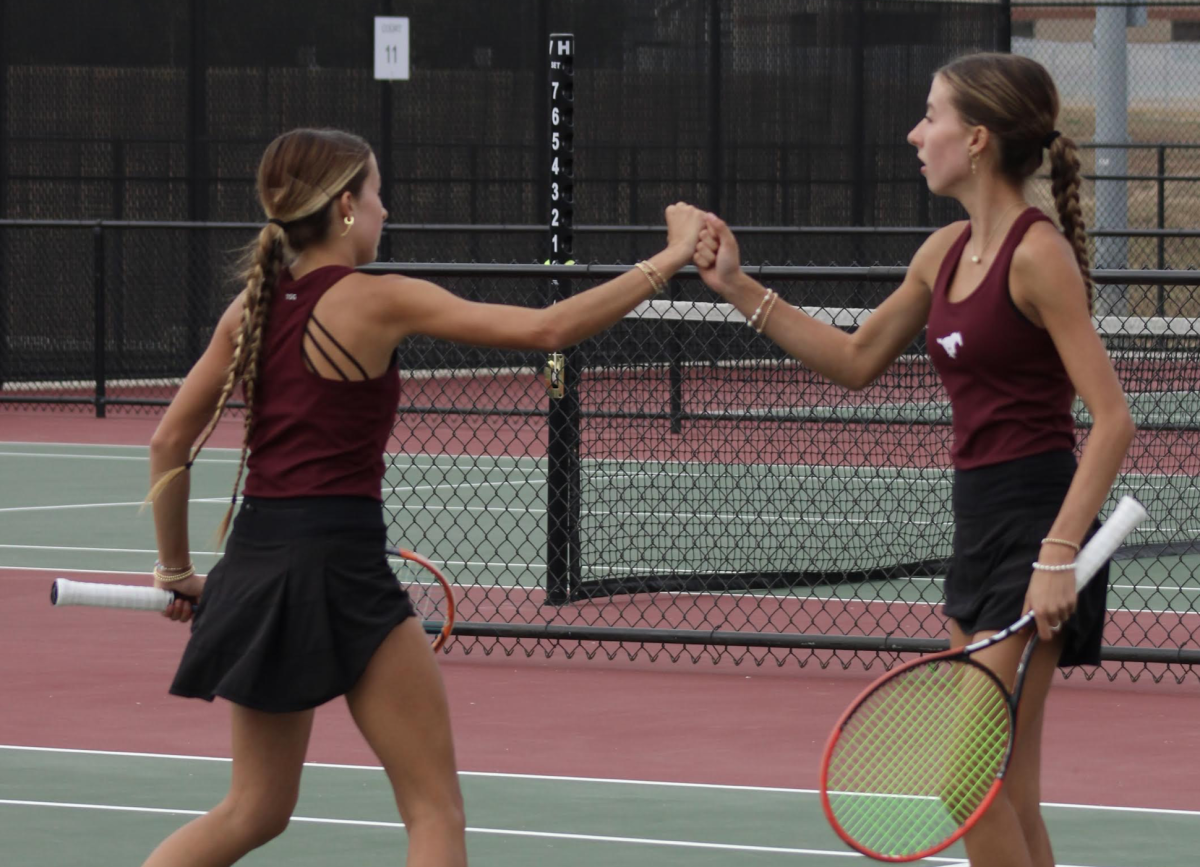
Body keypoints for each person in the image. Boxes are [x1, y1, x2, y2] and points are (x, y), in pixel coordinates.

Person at [141, 127, 707, 867]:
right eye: (378, 194)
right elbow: (550, 328)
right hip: (339, 567)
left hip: (256, 561)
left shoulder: (249, 310)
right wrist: (668, 257)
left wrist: (174, 571)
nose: (387, 211)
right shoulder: (376, 301)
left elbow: (166, 446)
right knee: (434, 810)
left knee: (253, 810)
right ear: (345, 207)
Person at [692, 53, 1134, 867]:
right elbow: (857, 358)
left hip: (1037, 528)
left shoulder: (1039, 257)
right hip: (979, 524)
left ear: (975, 139)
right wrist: (736, 284)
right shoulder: (941, 254)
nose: (913, 133)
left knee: (965, 785)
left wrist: (1057, 554)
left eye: (929, 115)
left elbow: (1112, 420)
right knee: (1009, 791)